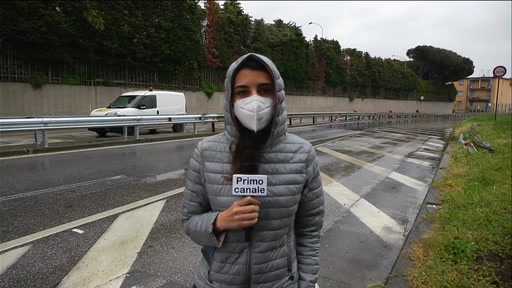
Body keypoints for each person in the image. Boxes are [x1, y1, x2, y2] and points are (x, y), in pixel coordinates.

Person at [182, 53, 325, 288]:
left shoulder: (303, 154)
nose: (254, 100)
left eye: (265, 90)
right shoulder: (206, 152)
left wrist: (308, 284)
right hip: (215, 283)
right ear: (231, 98)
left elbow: (309, 231)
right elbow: (190, 222)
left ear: (277, 96)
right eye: (243, 92)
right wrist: (219, 222)